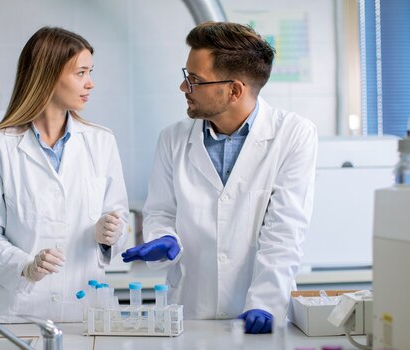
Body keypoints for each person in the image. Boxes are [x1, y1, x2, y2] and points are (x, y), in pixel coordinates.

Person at [122, 22, 317, 334]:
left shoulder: (293, 134)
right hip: (189, 312)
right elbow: (161, 211)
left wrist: (265, 303)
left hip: (258, 312)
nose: (183, 88)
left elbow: (286, 228)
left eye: (194, 80)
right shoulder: (172, 139)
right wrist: (164, 237)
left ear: (234, 90)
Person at [0, 27, 129, 323]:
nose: (90, 83)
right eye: (81, 73)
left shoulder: (101, 142)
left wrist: (110, 234)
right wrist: (25, 266)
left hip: (86, 313)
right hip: (17, 315)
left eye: (90, 71)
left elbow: (120, 222)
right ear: (48, 75)